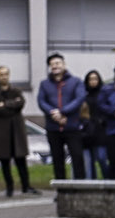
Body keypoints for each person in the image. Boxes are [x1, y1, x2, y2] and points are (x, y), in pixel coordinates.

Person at [36, 54, 86, 183]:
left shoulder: (76, 81)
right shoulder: (44, 84)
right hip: (53, 127)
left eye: (57, 63)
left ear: (64, 65)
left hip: (72, 126)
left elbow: (79, 99)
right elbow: (41, 101)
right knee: (57, 160)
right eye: (52, 64)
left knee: (77, 158)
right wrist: (53, 113)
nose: (55, 66)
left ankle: (80, 188)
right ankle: (61, 190)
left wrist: (63, 112)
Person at [0, 66, 33, 196]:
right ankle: (9, 188)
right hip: (1, 131)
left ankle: (26, 186)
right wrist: (12, 104)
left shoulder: (16, 91)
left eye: (6, 74)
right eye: (1, 74)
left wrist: (4, 104)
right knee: (4, 160)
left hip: (16, 130)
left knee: (21, 159)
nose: (4, 77)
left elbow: (21, 104)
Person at [79, 69, 109, 181]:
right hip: (88, 131)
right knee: (90, 162)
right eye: (90, 79)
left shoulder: (104, 94)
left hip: (101, 131)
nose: (93, 81)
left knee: (102, 158)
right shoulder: (84, 96)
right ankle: (92, 182)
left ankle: (108, 180)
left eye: (95, 79)